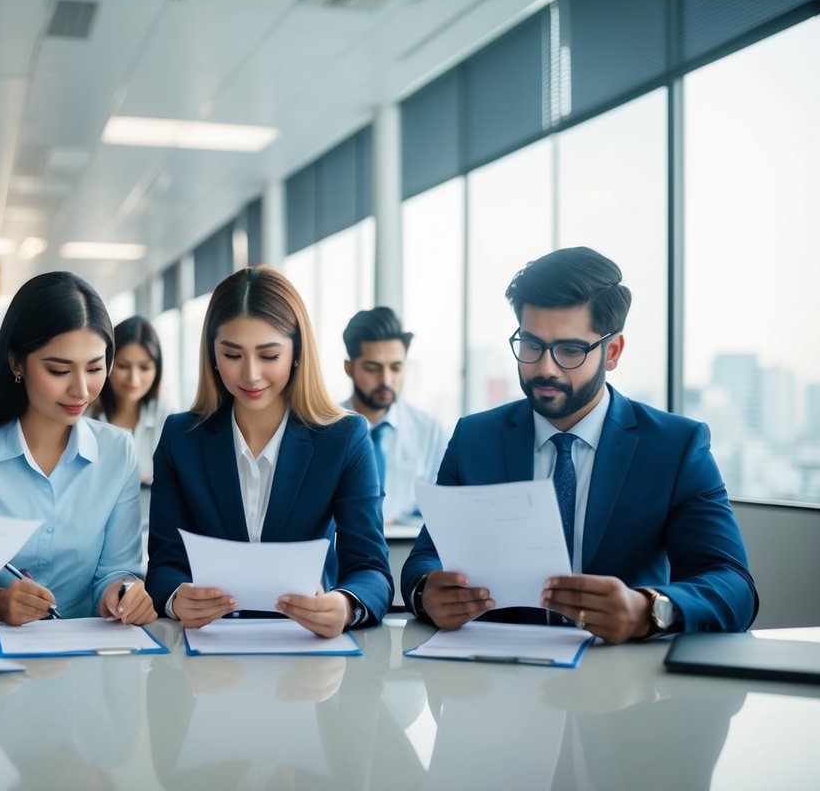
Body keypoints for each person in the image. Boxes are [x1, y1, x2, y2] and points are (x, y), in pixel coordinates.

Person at [402, 247, 757, 644]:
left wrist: (649, 609)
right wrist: (426, 592)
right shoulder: (475, 438)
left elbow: (733, 586)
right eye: (532, 345)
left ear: (613, 352)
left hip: (625, 684)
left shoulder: (675, 446)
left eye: (570, 350)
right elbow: (426, 557)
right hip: (498, 680)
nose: (545, 368)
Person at [146, 266, 393, 638]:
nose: (250, 375)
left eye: (268, 355)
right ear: (212, 354)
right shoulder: (182, 436)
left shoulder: (344, 437)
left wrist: (344, 605)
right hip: (208, 655)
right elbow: (164, 564)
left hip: (307, 651)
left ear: (296, 353)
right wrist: (176, 598)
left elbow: (371, 568)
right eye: (232, 355)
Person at [0, 272, 156, 626]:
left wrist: (122, 591)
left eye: (95, 367)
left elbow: (117, 570)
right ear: (16, 362)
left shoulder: (118, 450)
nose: (81, 390)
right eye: (59, 370)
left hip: (85, 659)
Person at [341, 306, 448, 525]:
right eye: (372, 368)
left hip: (408, 549)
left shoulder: (429, 431)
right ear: (349, 368)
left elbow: (444, 508)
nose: (386, 381)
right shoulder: (323, 428)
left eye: (396, 368)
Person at [89, 316, 173, 555]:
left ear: (157, 369)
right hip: (97, 537)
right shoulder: (85, 417)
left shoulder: (167, 418)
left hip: (153, 537)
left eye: (144, 367)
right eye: (123, 366)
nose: (134, 379)